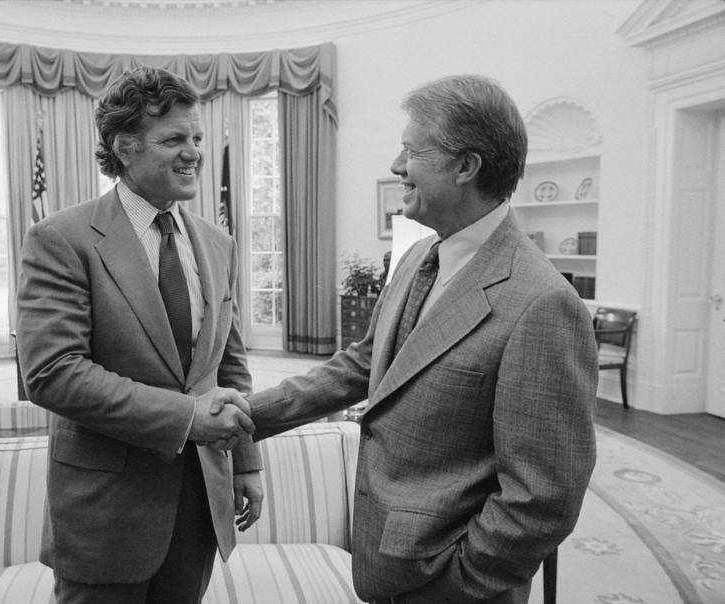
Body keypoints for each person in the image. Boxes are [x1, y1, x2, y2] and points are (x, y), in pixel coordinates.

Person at [246, 75, 598, 603]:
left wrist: (463, 577)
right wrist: (249, 415)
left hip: (451, 585)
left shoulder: (542, 303)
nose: (396, 165)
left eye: (412, 150)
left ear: (465, 166)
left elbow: (544, 494)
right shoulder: (416, 258)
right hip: (387, 566)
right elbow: (365, 367)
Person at [16, 66, 263, 604]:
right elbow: (52, 374)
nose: (193, 151)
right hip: (105, 516)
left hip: (201, 502)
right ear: (124, 148)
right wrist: (187, 418)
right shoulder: (62, 238)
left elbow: (229, 365)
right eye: (174, 139)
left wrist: (246, 462)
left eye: (196, 137)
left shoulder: (218, 244)